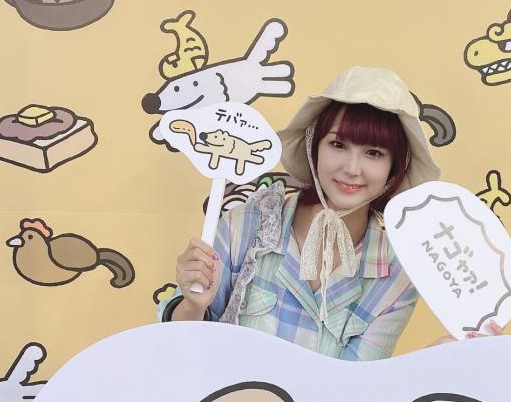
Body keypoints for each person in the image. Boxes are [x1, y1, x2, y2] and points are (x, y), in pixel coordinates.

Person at [159, 66, 442, 360]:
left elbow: (358, 383)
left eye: (374, 153)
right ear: (313, 146)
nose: (352, 168)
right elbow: (180, 351)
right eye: (338, 144)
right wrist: (192, 306)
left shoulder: (396, 278)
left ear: (395, 167)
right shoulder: (246, 226)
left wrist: (432, 363)